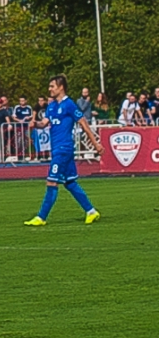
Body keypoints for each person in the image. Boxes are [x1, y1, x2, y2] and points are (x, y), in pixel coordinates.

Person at [25, 73, 101, 226]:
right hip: (57, 148)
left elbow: (84, 125)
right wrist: (35, 124)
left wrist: (96, 144)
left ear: (61, 87)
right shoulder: (52, 106)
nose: (49, 89)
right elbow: (45, 123)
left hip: (63, 149)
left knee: (51, 182)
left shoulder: (69, 104)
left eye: (52, 86)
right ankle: (91, 211)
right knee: (70, 182)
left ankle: (41, 217)